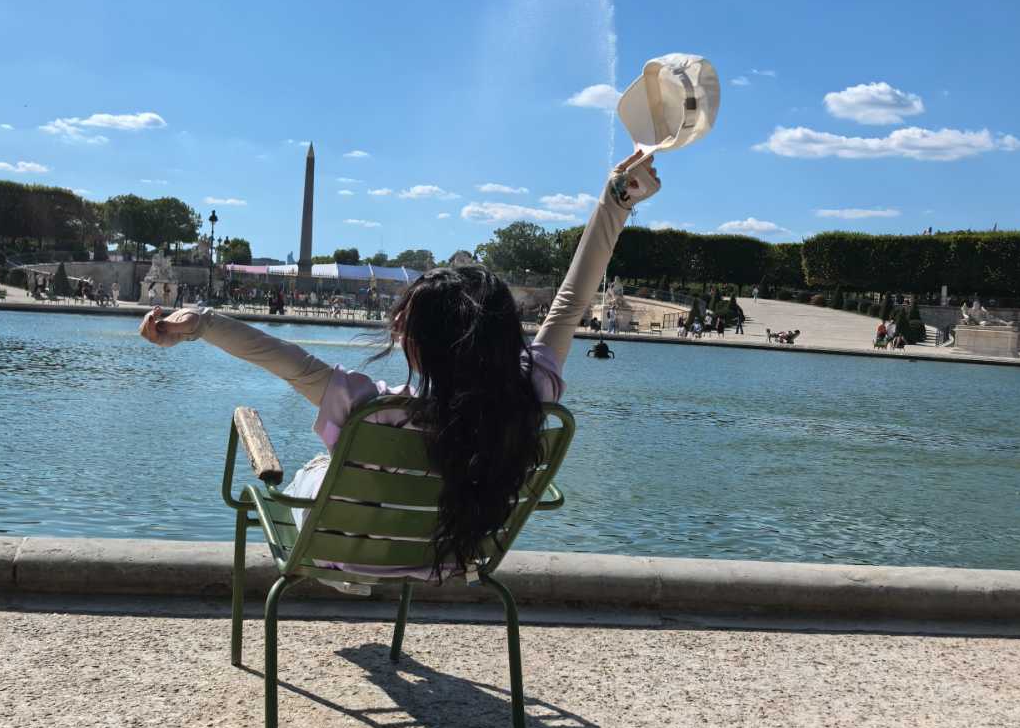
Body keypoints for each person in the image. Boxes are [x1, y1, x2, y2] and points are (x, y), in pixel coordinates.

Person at [140, 149, 662, 589]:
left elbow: (286, 361)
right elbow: (569, 307)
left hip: (344, 551)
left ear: (421, 345)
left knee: (319, 471)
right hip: (453, 554)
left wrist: (202, 322)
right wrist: (616, 201)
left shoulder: (376, 409)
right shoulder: (531, 392)